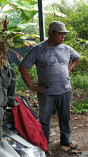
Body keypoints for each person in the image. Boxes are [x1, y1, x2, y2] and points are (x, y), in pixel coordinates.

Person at [19, 21, 81, 150]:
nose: (63, 37)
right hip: (46, 92)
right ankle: (44, 143)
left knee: (65, 118)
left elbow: (77, 58)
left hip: (65, 90)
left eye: (64, 34)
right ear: (51, 32)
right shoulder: (38, 49)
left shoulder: (66, 48)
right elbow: (23, 67)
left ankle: (65, 141)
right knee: (44, 120)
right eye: (60, 34)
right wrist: (31, 86)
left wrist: (68, 70)